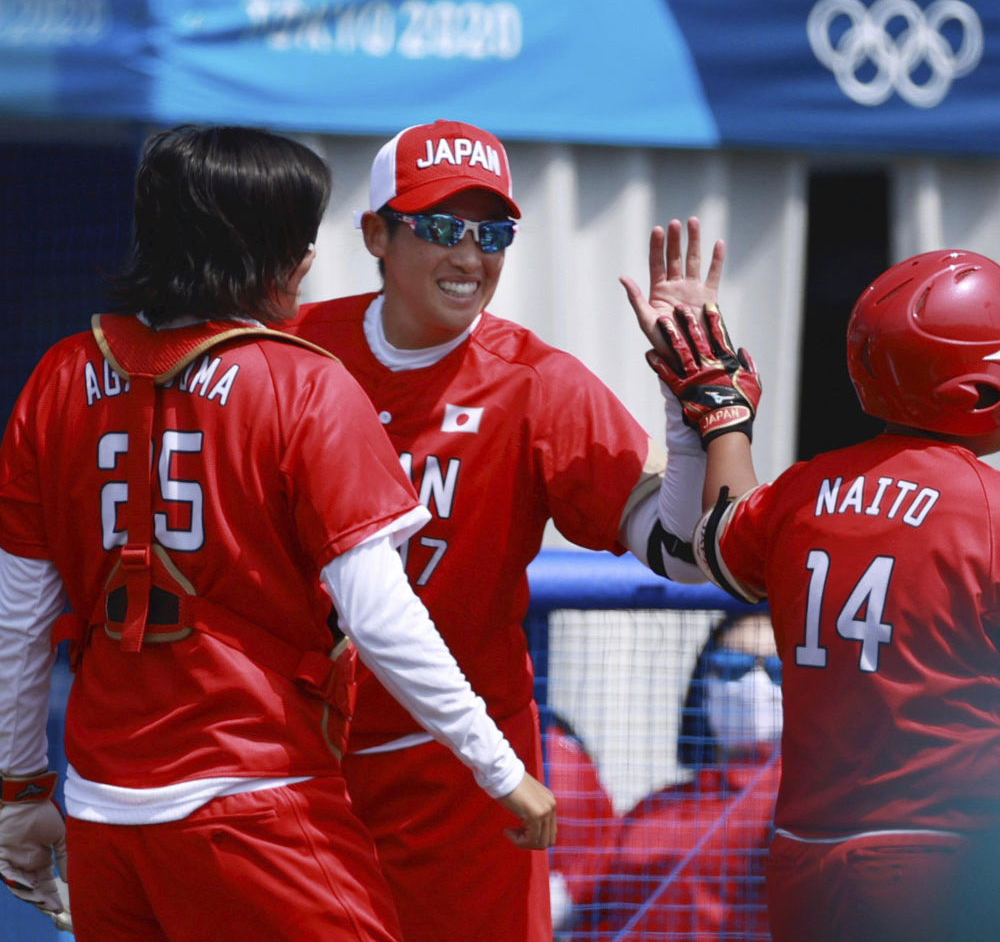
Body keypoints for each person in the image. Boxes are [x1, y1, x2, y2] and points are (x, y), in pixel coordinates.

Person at [0, 123, 556, 942]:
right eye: (297, 240)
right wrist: (500, 765)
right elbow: (380, 614)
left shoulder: (57, 377)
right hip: (255, 805)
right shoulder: (304, 383)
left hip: (103, 817)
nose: (307, 263)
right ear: (263, 252)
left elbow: (18, 622)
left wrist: (18, 794)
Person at [282, 118, 724, 942]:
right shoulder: (298, 350)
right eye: (443, 227)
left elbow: (681, 554)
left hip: (462, 779)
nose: (470, 256)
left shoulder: (536, 381)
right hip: (295, 764)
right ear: (376, 233)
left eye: (494, 233)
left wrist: (687, 406)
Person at [643, 248, 1000, 942]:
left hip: (805, 857)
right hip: (946, 860)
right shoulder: (987, 508)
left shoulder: (805, 491)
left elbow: (718, 537)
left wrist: (723, 419)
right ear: (974, 389)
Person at [557, 611, 781, 941]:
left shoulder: (796, 804)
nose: (754, 684)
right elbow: (573, 895)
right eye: (734, 667)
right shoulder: (654, 808)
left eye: (777, 672)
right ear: (705, 683)